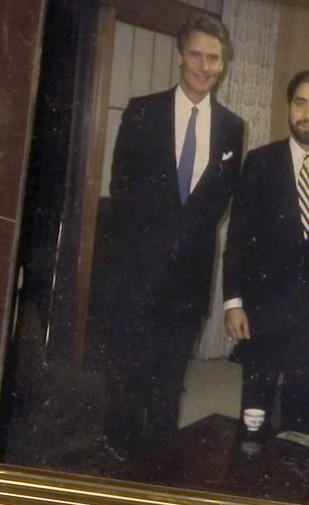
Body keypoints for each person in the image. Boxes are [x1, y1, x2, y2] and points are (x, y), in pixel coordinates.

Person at [92, 14, 244, 453]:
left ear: (223, 63)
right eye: (196, 54)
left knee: (170, 374)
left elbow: (220, 201)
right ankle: (117, 454)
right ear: (181, 57)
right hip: (138, 270)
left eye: (213, 58)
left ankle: (157, 459)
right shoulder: (143, 111)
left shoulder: (233, 127)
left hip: (189, 276)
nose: (204, 66)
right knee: (128, 371)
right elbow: (121, 189)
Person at [223, 70, 309, 435]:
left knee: (303, 423)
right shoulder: (259, 161)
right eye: (301, 103)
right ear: (289, 107)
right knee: (254, 415)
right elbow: (237, 236)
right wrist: (233, 302)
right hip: (261, 311)